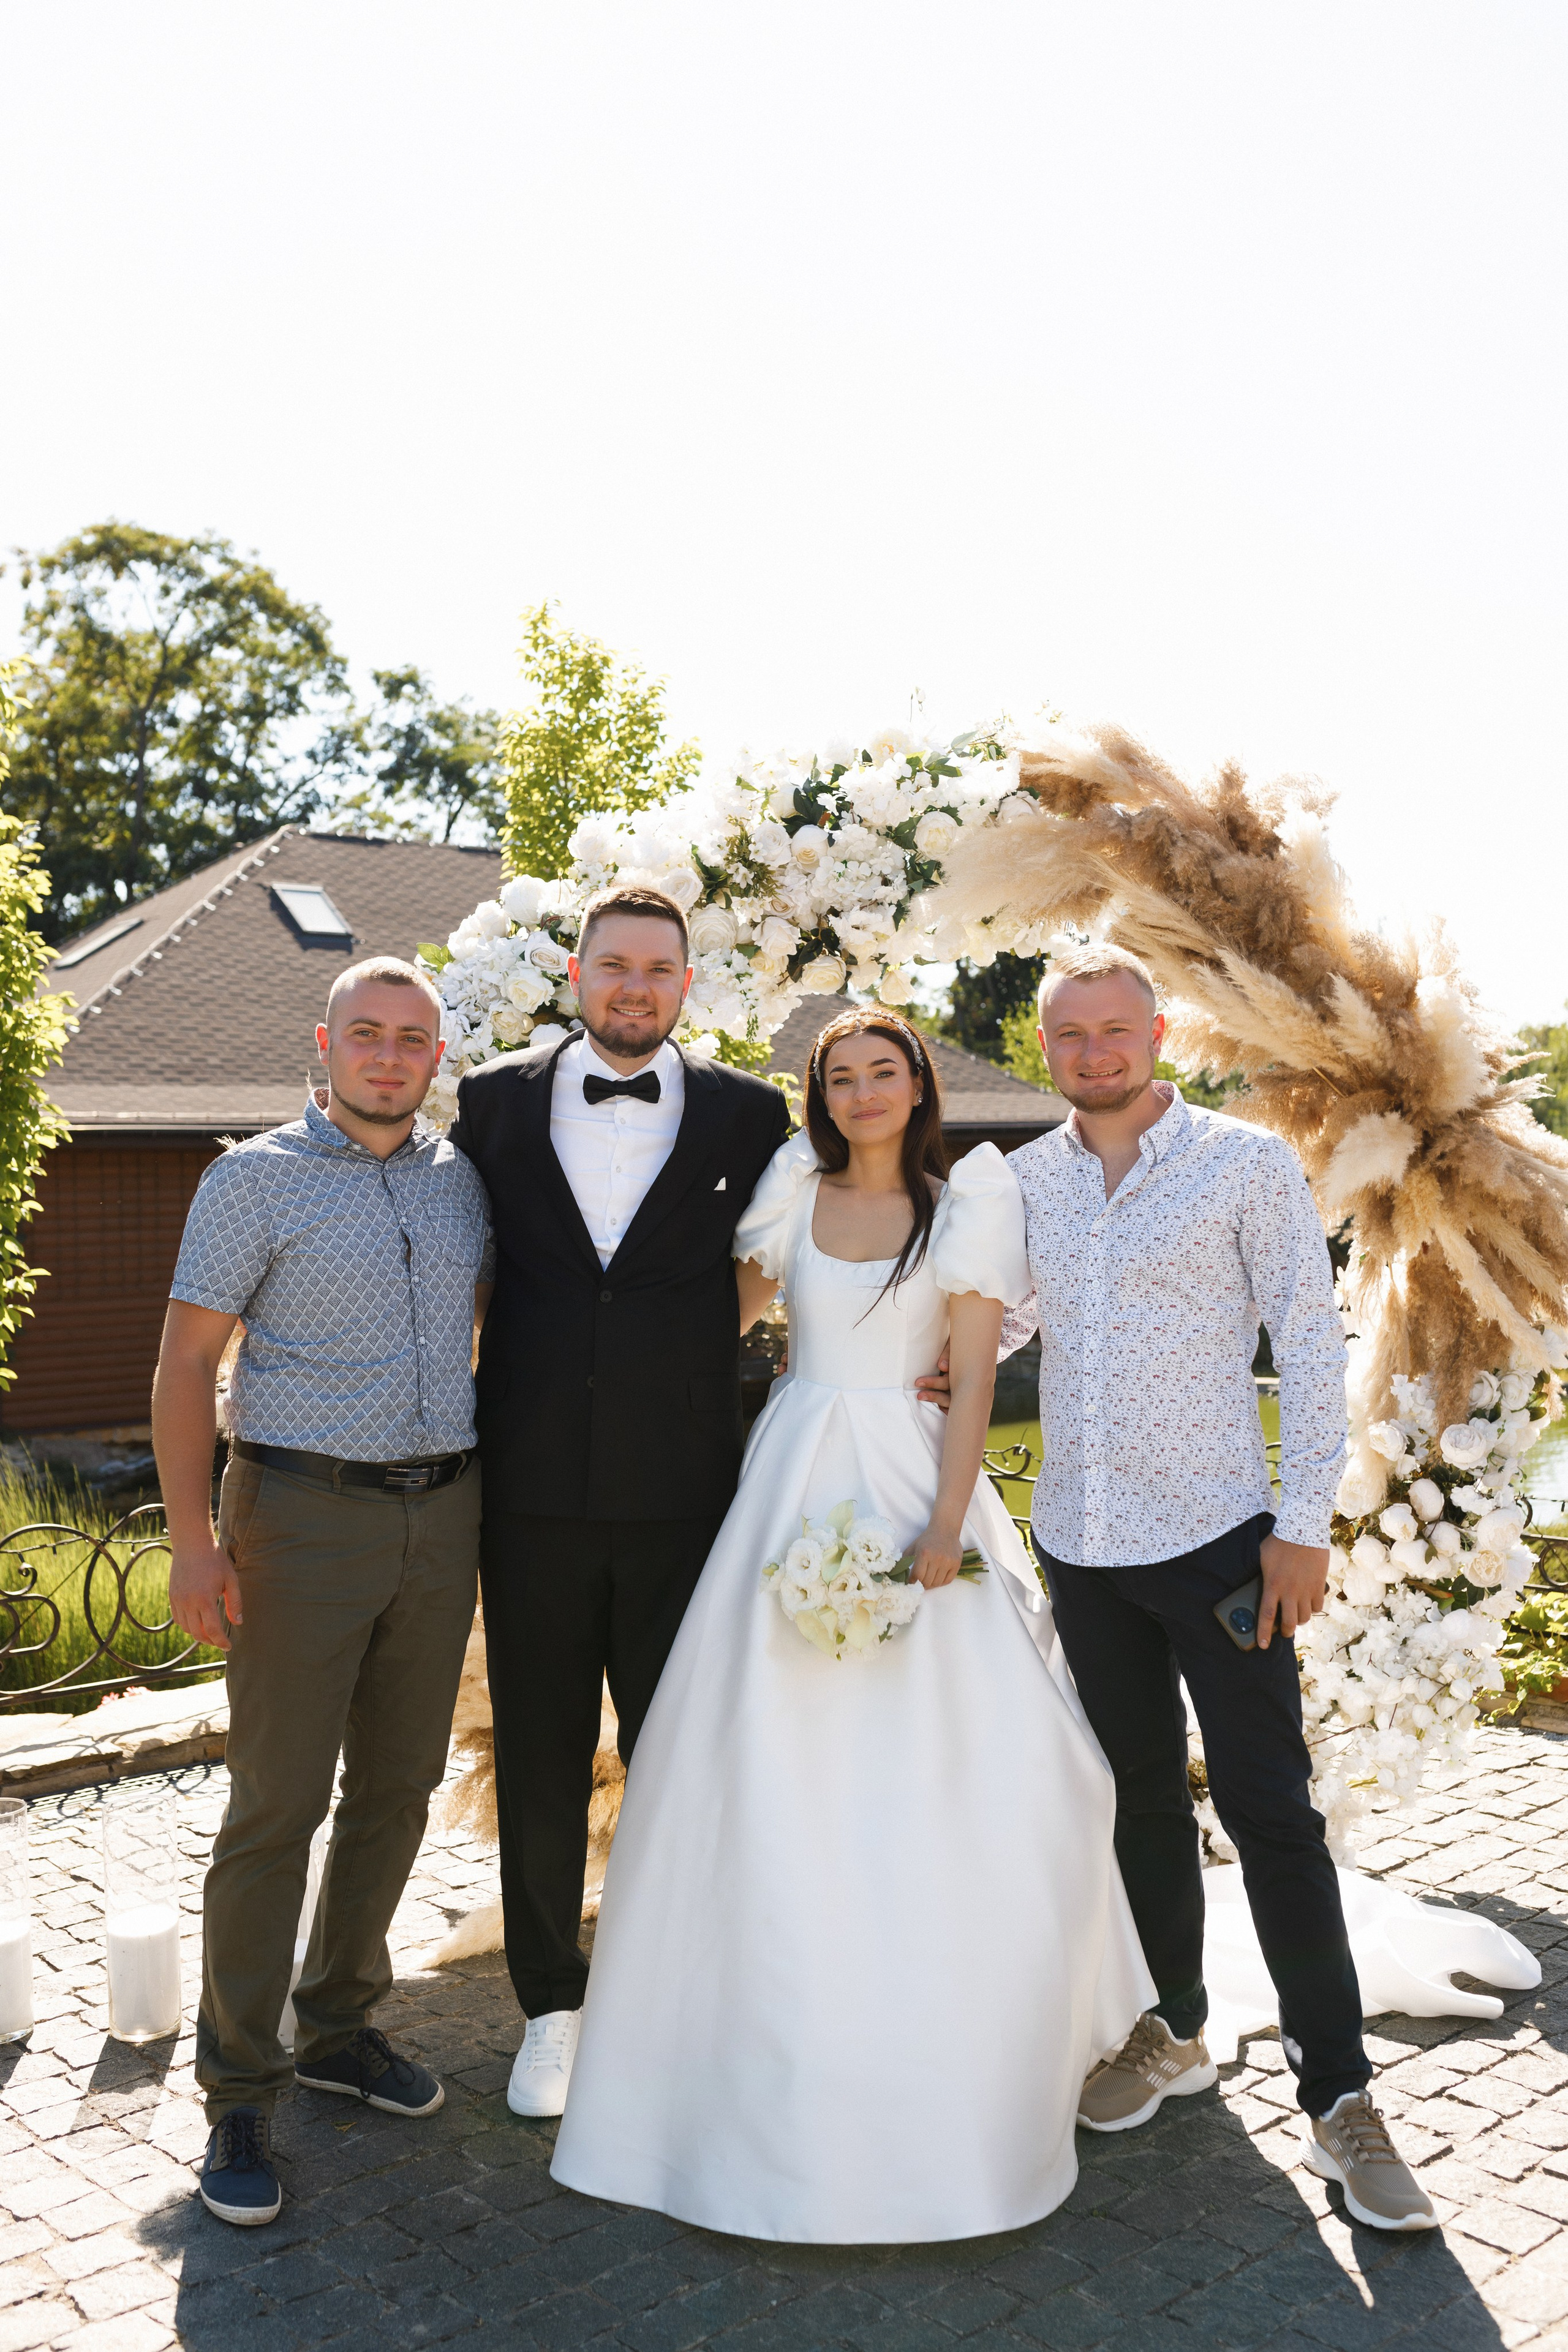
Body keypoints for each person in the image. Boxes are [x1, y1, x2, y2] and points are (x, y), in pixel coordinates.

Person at [549, 1007, 1155, 2242]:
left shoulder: (965, 1205)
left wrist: (943, 1526)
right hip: (788, 1477)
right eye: (840, 1074)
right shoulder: (788, 1189)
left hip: (912, 1478)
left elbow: (976, 1375)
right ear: (818, 1095)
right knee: (752, 1748)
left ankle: (997, 2021)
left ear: (917, 1087)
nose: (863, 1090)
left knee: (1009, 1765)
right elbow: (706, 1321)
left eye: (884, 1071)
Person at [1000, 941, 1437, 2231]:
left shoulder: (1243, 1166)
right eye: (1067, 1035)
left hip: (1219, 1548)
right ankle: (1175, 2027)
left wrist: (1298, 1528)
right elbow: (1009, 1320)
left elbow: (1307, 1346)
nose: (1092, 1053)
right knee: (1134, 1798)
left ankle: (1340, 2101)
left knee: (1269, 1814)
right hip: (1080, 1547)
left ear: (1155, 1034)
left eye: (1112, 1029)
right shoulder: (1026, 1180)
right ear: (1045, 1049)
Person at [154, 959, 492, 2228]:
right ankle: (239, 2085)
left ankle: (342, 2022)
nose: (391, 1057)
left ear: (436, 1057)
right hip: (298, 1517)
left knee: (399, 1786)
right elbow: (186, 1366)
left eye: (414, 1040)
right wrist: (197, 1542)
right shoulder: (251, 1180)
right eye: (370, 1036)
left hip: (440, 1513)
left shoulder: (464, 1184)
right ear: (326, 1044)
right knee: (277, 1804)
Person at [447, 885, 790, 2118]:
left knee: (681, 1750)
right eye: (613, 967)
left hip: (685, 1491)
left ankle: (681, 1993)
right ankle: (552, 2007)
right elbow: (469, 1270)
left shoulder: (753, 1114)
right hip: (528, 1490)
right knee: (540, 1755)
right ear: (575, 972)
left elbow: (774, 1262)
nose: (634, 988)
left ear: (685, 985)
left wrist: (681, 1359)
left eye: (658, 969)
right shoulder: (489, 1102)